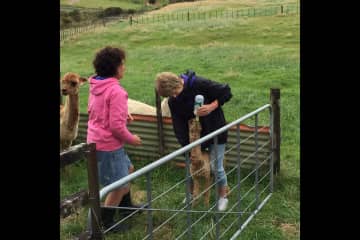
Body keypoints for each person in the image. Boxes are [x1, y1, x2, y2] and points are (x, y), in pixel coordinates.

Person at [155, 70, 232, 211]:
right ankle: (191, 195)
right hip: (195, 136)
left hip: (215, 129)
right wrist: (188, 147)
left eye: (175, 92)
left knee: (216, 167)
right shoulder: (174, 101)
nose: (174, 96)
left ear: (178, 83)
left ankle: (223, 196)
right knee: (192, 166)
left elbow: (226, 92)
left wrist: (211, 107)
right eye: (171, 96)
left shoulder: (199, 83)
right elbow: (178, 125)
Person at [87, 46, 143, 232]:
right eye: (122, 64)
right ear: (115, 68)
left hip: (96, 140)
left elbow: (96, 111)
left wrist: (122, 113)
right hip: (109, 145)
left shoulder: (96, 85)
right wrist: (132, 139)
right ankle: (105, 223)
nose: (124, 68)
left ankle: (126, 209)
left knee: (128, 169)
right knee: (118, 185)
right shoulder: (117, 91)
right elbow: (116, 127)